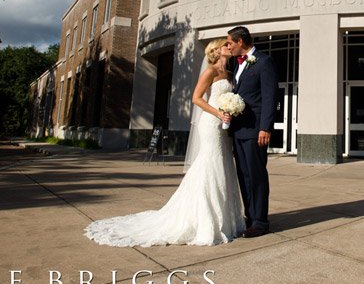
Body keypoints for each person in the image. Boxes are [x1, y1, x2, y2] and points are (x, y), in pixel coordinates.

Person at [83, 39, 245, 246]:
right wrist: (219, 113)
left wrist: (230, 112)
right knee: (210, 163)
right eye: (225, 45)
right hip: (211, 123)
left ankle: (225, 220)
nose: (229, 47)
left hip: (224, 126)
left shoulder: (230, 74)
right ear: (216, 51)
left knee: (223, 165)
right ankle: (204, 220)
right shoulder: (210, 72)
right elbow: (196, 98)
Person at [225, 26, 278, 238]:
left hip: (256, 130)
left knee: (256, 176)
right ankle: (249, 217)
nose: (228, 46)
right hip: (238, 130)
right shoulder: (233, 64)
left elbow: (270, 97)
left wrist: (265, 127)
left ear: (240, 42)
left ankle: (260, 222)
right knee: (243, 176)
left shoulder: (264, 62)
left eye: (230, 42)